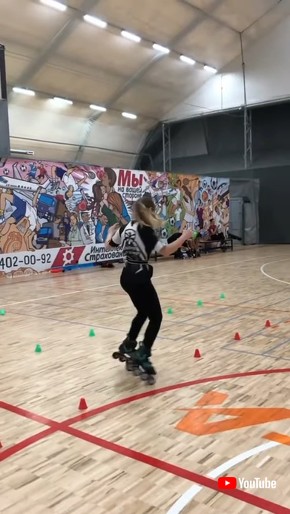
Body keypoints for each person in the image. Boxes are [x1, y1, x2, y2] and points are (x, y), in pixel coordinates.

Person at [105, 196, 192, 375]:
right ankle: (143, 353)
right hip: (139, 278)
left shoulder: (125, 227)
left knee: (143, 312)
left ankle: (129, 343)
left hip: (126, 277)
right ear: (150, 211)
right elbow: (166, 251)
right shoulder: (146, 231)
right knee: (156, 317)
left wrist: (109, 232)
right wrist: (184, 237)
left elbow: (108, 246)